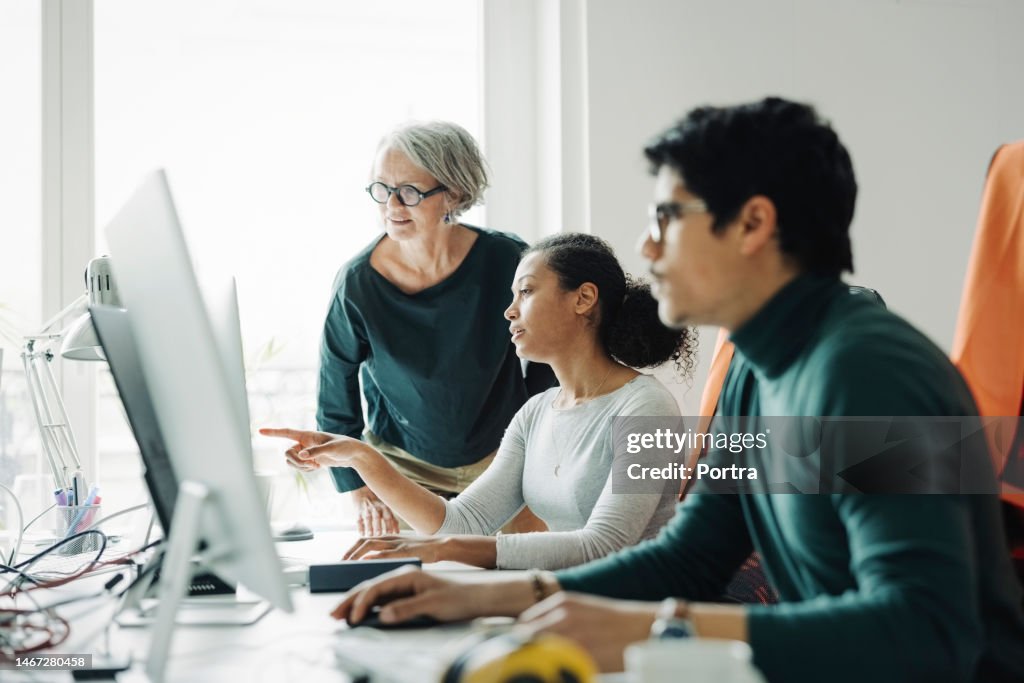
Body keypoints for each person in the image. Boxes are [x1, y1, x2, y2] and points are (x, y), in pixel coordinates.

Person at [328, 98, 1024, 683]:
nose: (647, 246)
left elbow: (929, 631)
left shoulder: (871, 371)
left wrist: (656, 625)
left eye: (667, 217)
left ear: (753, 223)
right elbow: (693, 554)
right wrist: (487, 592)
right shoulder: (758, 367)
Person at [263, 233, 695, 569]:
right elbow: (460, 522)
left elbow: (604, 546)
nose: (509, 311)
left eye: (525, 292)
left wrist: (449, 551)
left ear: (582, 299)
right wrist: (360, 457)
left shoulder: (646, 408)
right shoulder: (535, 413)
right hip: (563, 600)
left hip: (635, 611)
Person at [296, 121, 551, 536]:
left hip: (501, 460)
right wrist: (358, 487)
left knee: (507, 577)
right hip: (401, 467)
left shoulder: (508, 260)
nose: (392, 205)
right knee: (406, 581)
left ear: (454, 193)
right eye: (381, 189)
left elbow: (549, 362)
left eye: (410, 192)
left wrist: (539, 455)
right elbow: (335, 393)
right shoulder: (356, 284)